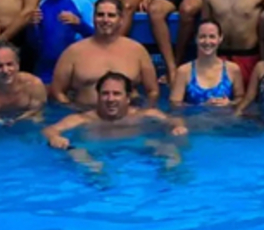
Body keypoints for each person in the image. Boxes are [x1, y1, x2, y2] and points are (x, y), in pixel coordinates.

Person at [43, 72, 187, 173]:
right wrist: (54, 137)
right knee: (78, 152)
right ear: (98, 96)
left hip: (138, 148)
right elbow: (49, 129)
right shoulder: (84, 119)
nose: (110, 99)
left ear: (128, 98)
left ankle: (170, 179)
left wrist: (178, 127)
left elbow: (173, 119)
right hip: (93, 152)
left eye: (116, 94)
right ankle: (97, 179)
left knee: (169, 149)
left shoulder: (142, 114)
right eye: (105, 93)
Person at [50, 0, 159, 106]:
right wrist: (71, 109)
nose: (105, 20)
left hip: (129, 113)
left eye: (111, 15)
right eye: (100, 15)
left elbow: (152, 90)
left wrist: (144, 111)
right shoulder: (73, 52)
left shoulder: (137, 50)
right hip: (86, 112)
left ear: (121, 20)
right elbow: (57, 91)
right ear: (93, 18)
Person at [26, 0, 94, 85]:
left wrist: (79, 24)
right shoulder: (41, 3)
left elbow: (95, 37)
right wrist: (32, 25)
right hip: (44, 68)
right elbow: (33, 44)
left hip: (73, 66)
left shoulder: (82, 3)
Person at [170, 20, 245, 106]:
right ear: (196, 39)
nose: (207, 42)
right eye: (202, 37)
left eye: (212, 37)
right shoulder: (184, 71)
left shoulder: (233, 69)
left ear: (220, 38)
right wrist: (202, 106)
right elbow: (175, 105)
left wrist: (229, 103)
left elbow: (241, 100)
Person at [0, 40, 46, 121]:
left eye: (9, 64)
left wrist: (17, 122)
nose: (5, 70)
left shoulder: (33, 85)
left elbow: (36, 113)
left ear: (18, 65)